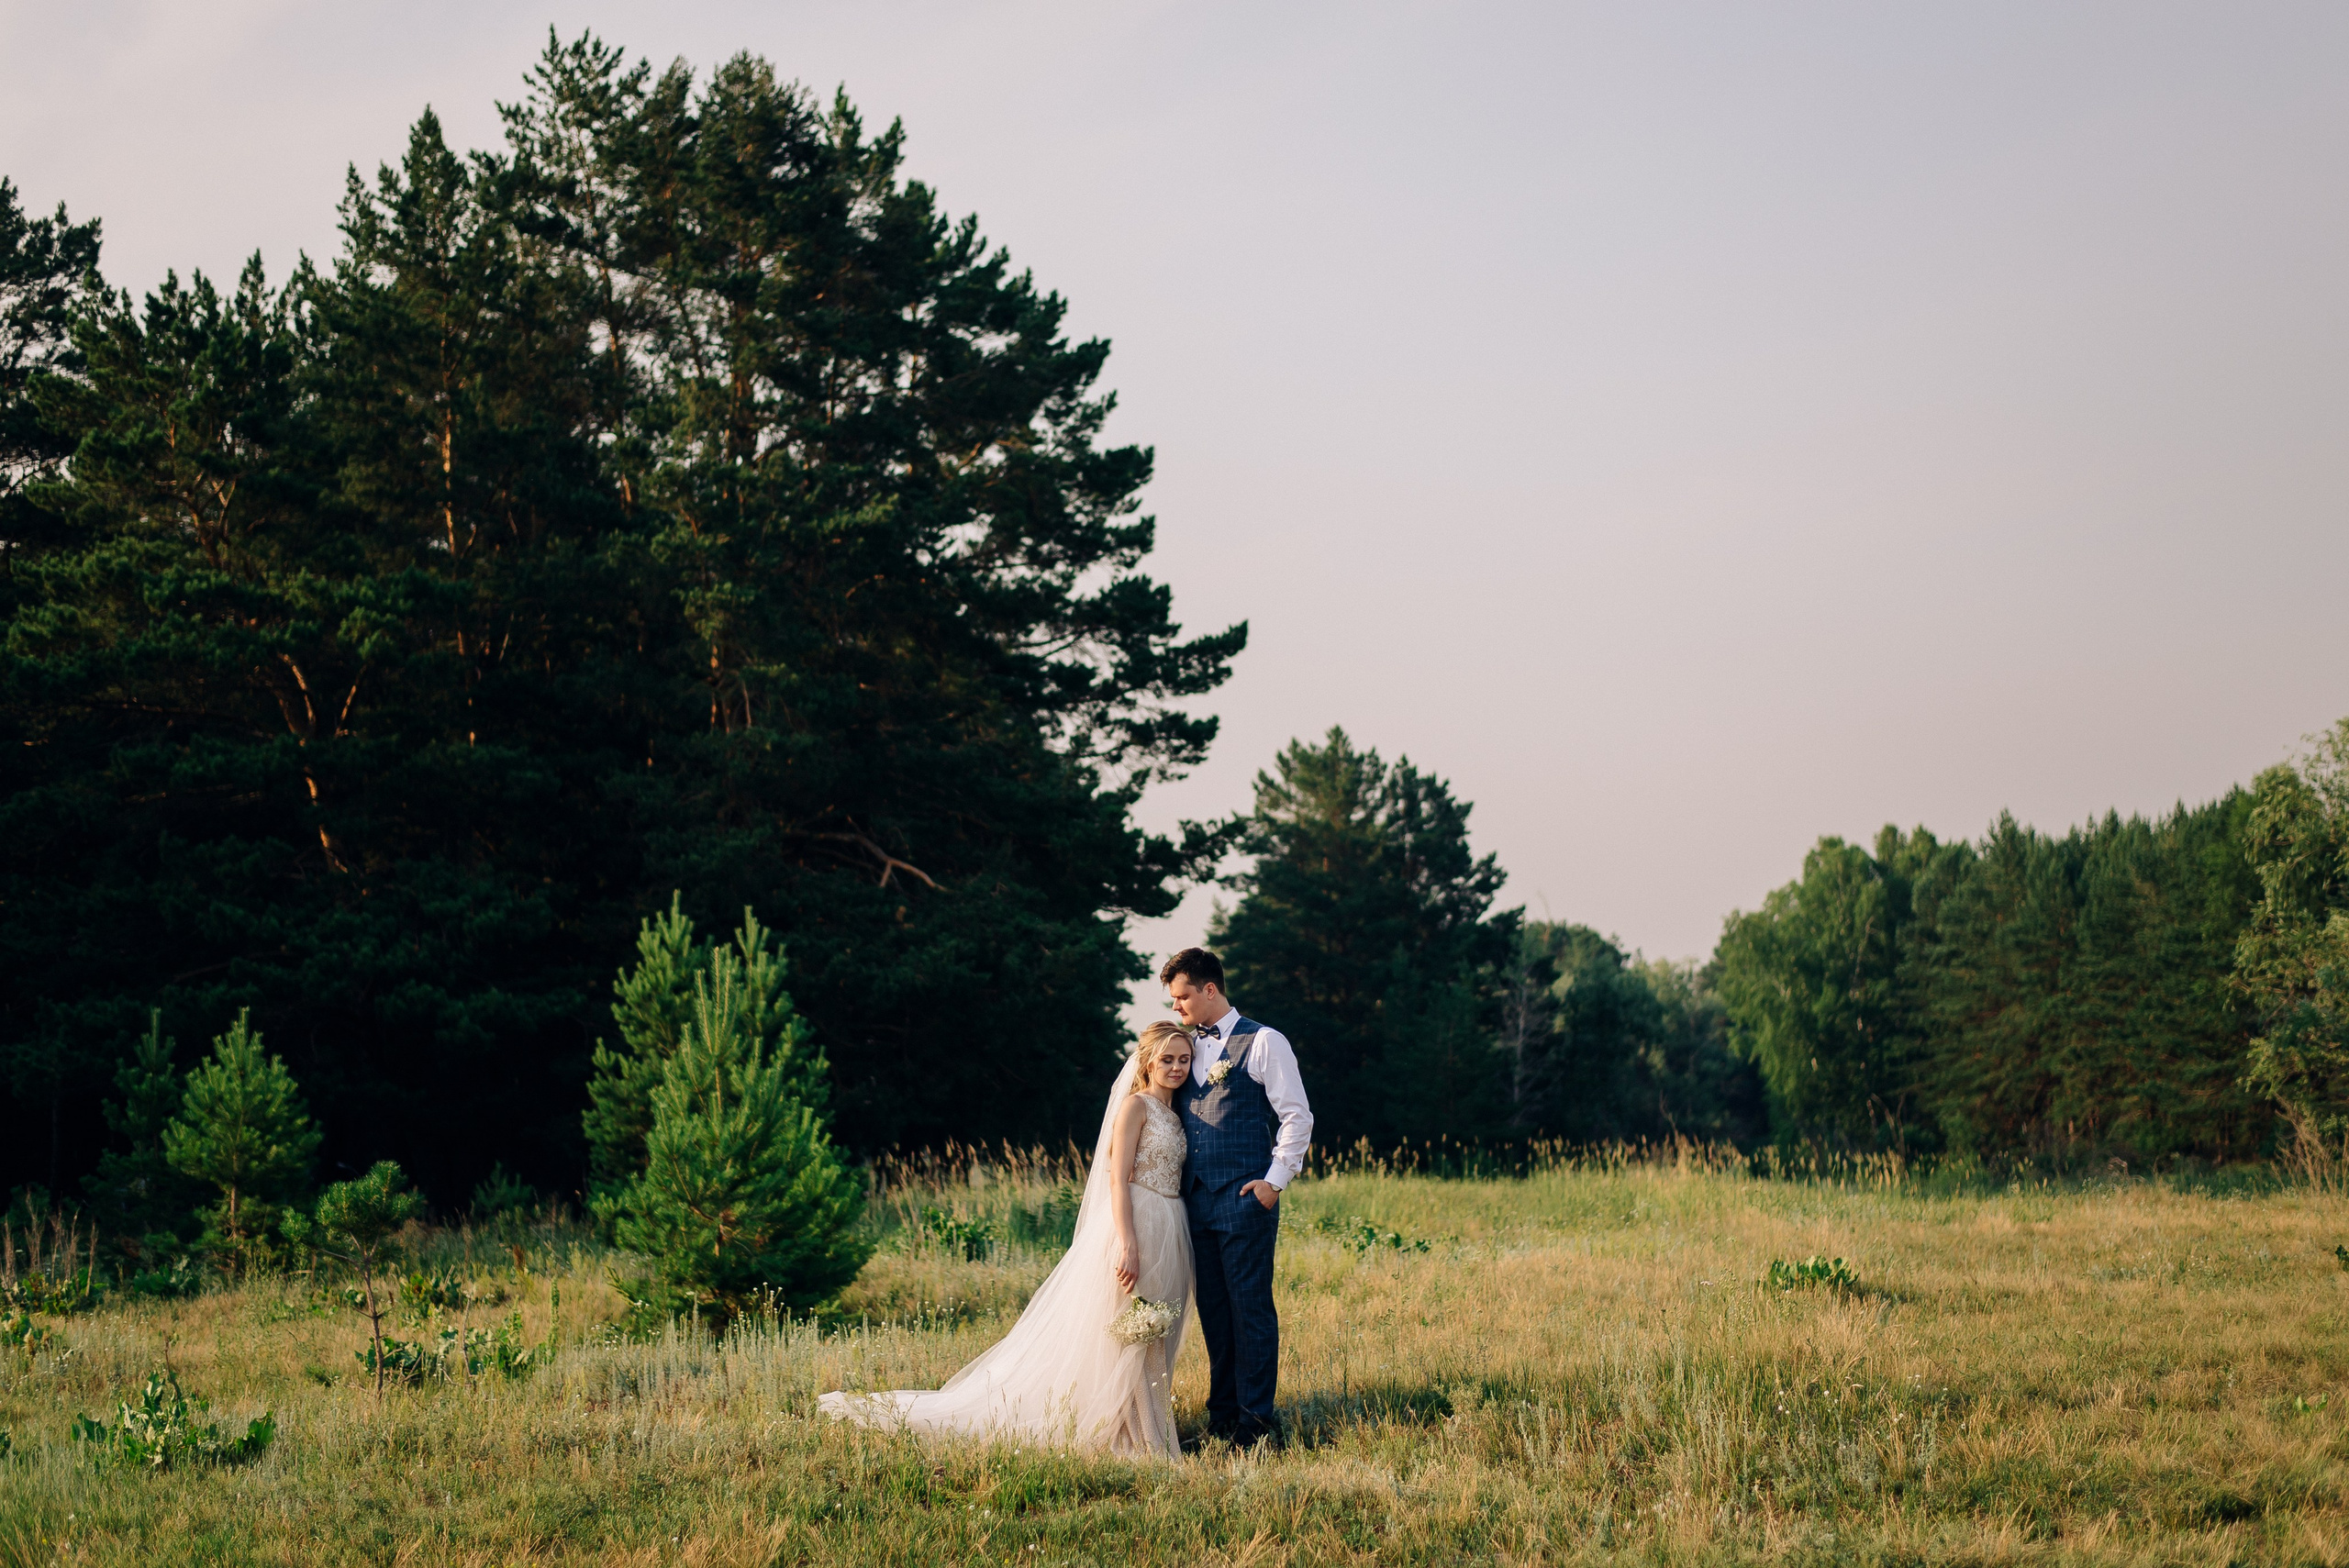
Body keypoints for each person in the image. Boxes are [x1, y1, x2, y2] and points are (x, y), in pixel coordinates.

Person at [816, 1023, 1197, 1457]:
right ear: (1147, 1060)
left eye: (1183, 1059)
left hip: (1172, 1221)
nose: (1176, 1067)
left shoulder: (1175, 1112)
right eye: (1167, 1059)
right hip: (1140, 1220)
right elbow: (1116, 1179)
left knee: (1157, 1325)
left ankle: (1148, 1420)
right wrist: (1128, 1242)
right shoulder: (1135, 1106)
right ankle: (1131, 1431)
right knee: (1130, 1324)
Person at [1161, 946, 1313, 1450]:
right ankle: (1222, 1421)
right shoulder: (1180, 1046)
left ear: (1210, 989)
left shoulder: (1265, 1042)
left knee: (1250, 1312)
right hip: (1195, 1203)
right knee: (1216, 1316)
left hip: (1247, 1198)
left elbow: (1297, 1116)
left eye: (1182, 997)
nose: (1176, 1008)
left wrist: (1275, 1181)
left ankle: (1257, 1427)